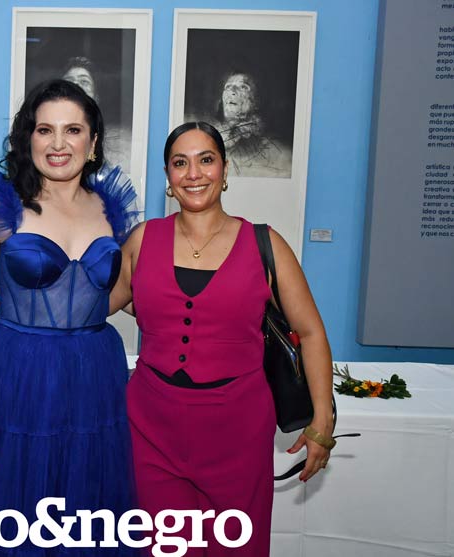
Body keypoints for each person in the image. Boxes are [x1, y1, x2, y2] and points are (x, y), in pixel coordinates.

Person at [0, 79, 138, 556]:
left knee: (83, 516)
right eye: (45, 130)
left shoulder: (111, 209)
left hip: (95, 380)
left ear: (93, 142)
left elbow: (117, 293)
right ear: (28, 138)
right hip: (17, 379)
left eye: (73, 130)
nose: (59, 143)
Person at [110, 121, 335, 556]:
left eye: (206, 160)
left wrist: (322, 421)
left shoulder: (266, 244)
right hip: (152, 431)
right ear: (168, 176)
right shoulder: (143, 240)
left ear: (225, 169)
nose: (193, 173)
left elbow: (310, 333)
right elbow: (96, 301)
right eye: (180, 163)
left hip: (238, 434)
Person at [211, 72, 292, 178]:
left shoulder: (277, 149)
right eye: (228, 87)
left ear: (256, 101)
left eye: (243, 87)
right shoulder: (210, 136)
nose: (232, 91)